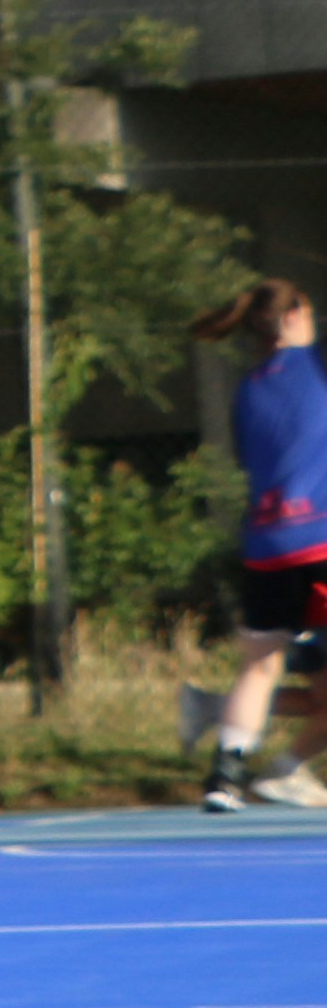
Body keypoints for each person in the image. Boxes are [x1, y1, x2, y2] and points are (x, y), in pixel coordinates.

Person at [184, 278, 327, 811]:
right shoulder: (315, 366)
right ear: (291, 318)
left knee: (259, 667)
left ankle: (223, 776)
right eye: (310, 313)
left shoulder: (249, 389)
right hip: (319, 544)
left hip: (266, 545)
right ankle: (286, 769)